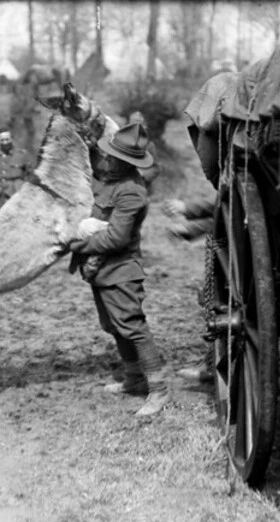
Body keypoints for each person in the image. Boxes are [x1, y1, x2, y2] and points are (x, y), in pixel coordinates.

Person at [69, 122, 170, 417]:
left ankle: (158, 390)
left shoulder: (131, 192)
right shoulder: (109, 181)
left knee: (133, 327)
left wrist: (77, 245)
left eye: (112, 157)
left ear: (126, 162)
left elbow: (117, 237)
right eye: (106, 155)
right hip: (102, 271)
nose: (106, 159)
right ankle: (134, 378)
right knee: (113, 325)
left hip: (122, 269)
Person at [0, 128, 33, 213]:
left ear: (11, 139)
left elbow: (30, 174)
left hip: (17, 193)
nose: (5, 142)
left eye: (7, 139)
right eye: (2, 140)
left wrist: (24, 189)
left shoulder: (21, 155)